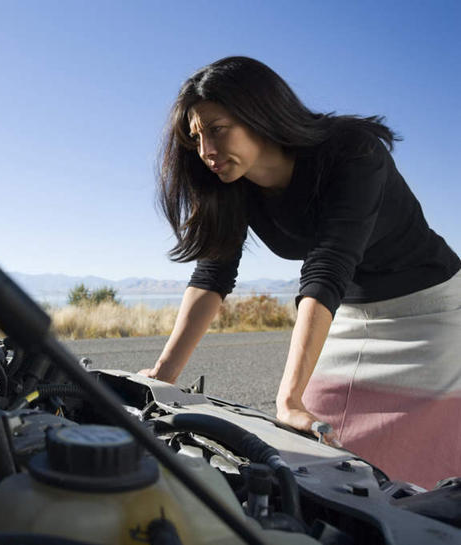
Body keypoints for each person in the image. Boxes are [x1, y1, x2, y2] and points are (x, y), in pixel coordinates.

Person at [138, 56, 460, 489]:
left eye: (217, 129)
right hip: (352, 312)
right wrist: (164, 375)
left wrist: (287, 399)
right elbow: (212, 277)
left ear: (259, 112)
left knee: (424, 456)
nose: (206, 151)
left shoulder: (353, 151)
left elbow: (328, 266)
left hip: (433, 314)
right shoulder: (233, 184)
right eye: (196, 138)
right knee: (320, 441)